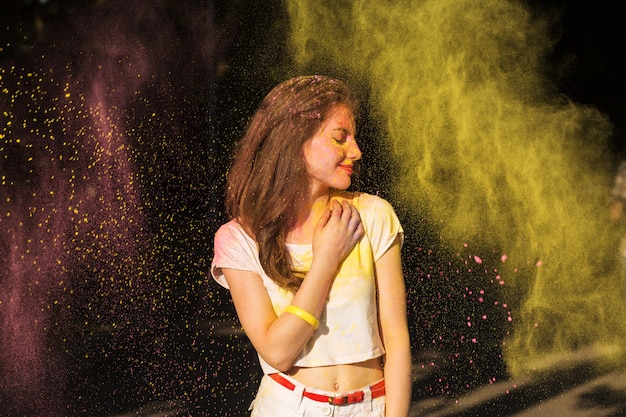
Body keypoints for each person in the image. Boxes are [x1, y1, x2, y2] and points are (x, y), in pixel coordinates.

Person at [211, 75, 412, 417]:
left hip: (371, 407)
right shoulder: (237, 238)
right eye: (339, 138)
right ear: (294, 142)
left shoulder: (373, 215)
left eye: (353, 137)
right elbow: (279, 351)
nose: (356, 151)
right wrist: (326, 261)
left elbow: (396, 338)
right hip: (288, 407)